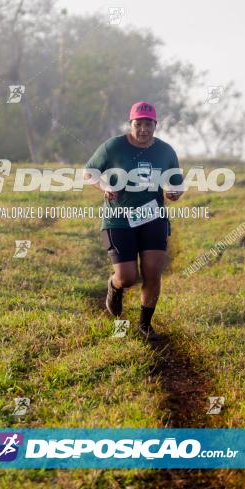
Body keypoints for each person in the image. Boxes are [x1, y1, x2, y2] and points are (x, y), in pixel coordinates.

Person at [84, 101, 184, 341]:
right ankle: (115, 286)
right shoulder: (113, 147)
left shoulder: (166, 151)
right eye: (138, 124)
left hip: (152, 216)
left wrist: (175, 191)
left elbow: (176, 181)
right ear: (131, 124)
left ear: (155, 125)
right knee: (128, 277)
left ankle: (145, 325)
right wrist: (104, 185)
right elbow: (89, 171)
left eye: (148, 125)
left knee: (152, 272)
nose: (143, 130)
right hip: (119, 218)